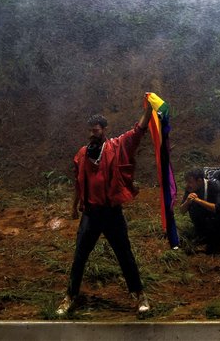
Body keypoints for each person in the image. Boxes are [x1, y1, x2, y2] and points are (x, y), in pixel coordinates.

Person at [56, 94, 152, 317]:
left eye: (96, 129)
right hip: (90, 214)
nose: (93, 133)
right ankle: (70, 296)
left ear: (104, 130)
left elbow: (138, 131)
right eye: (90, 130)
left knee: (124, 254)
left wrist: (149, 110)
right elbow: (78, 183)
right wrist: (73, 207)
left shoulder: (116, 147)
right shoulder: (82, 154)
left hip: (111, 213)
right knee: (80, 256)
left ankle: (139, 295)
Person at [180, 168, 220, 254]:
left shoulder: (216, 185)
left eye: (190, 182)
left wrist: (199, 201)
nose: (187, 185)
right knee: (193, 206)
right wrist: (187, 202)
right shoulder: (190, 189)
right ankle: (202, 234)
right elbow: (182, 211)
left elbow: (218, 209)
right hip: (206, 215)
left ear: (199, 181)